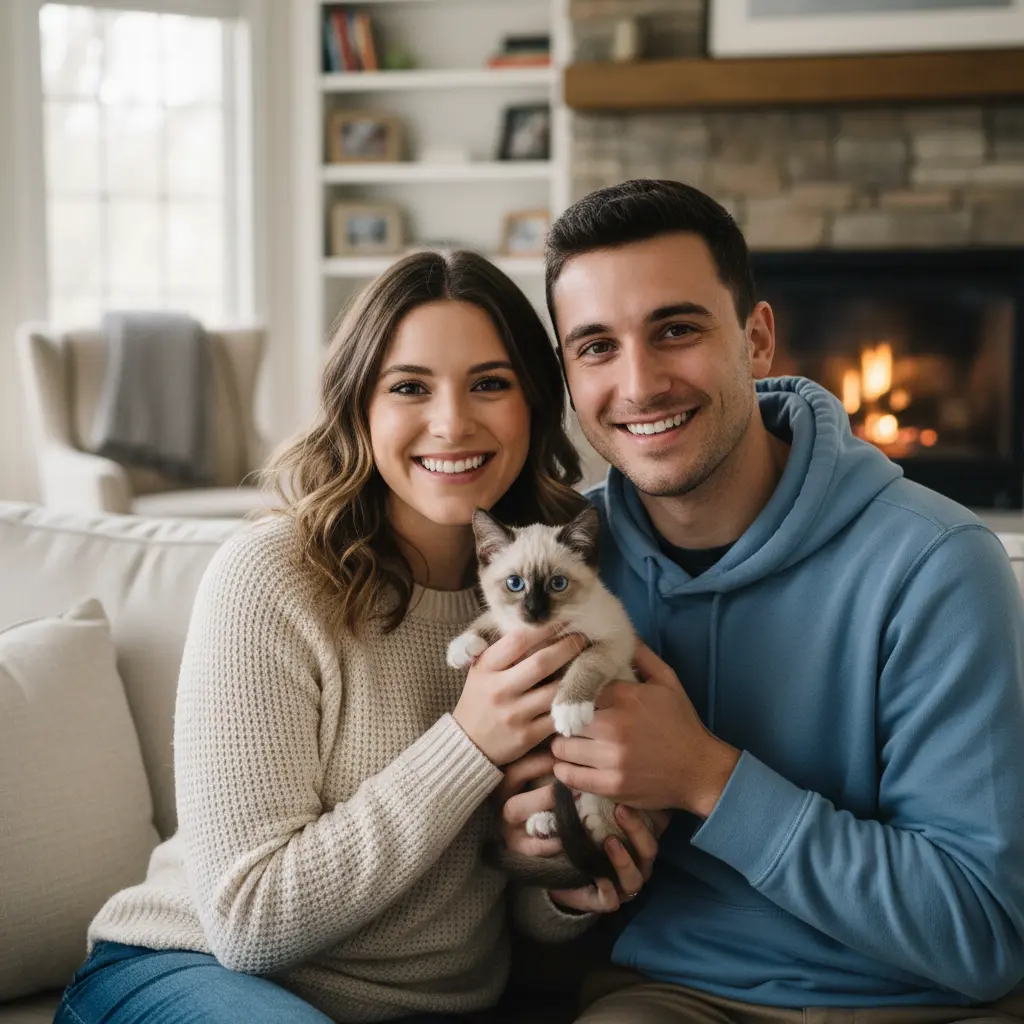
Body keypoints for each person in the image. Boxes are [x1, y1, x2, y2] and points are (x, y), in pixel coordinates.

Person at [54, 250, 662, 1024]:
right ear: (358, 406)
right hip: (186, 970)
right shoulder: (271, 576)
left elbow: (508, 916)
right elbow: (246, 924)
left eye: (489, 383)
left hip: (439, 1005)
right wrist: (468, 743)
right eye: (409, 386)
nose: (453, 423)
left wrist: (566, 881)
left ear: (535, 404)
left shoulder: (562, 592)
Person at [498, 179, 1024, 1023]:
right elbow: (536, 905)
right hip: (668, 999)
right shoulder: (559, 570)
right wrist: (554, 869)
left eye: (676, 329)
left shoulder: (936, 564)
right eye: (596, 347)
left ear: (757, 339)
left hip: (921, 1005)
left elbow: (984, 938)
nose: (640, 384)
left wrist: (707, 776)